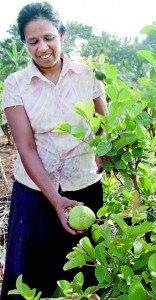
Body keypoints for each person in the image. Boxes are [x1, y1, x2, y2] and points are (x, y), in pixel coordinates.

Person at [1, 1, 107, 299]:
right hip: (35, 193)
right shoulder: (16, 84)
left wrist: (103, 150)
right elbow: (26, 146)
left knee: (82, 275)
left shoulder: (89, 76)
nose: (42, 47)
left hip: (84, 187)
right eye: (32, 41)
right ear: (25, 44)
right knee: (32, 278)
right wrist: (56, 199)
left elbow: (102, 125)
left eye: (48, 37)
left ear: (62, 34)